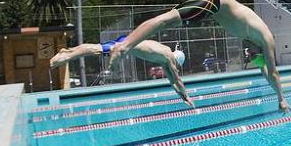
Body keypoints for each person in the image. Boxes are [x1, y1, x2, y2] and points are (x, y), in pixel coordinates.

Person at [108, 0, 291, 112]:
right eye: (253, 55)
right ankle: (123, 46)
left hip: (212, 3)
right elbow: (272, 71)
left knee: (168, 22)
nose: (248, 54)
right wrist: (281, 98)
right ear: (262, 50)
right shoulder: (266, 38)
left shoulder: (254, 38)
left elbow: (264, 69)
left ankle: (125, 45)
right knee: (167, 20)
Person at [52, 37, 194, 107]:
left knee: (98, 49)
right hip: (125, 44)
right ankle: (67, 53)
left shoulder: (165, 58)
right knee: (96, 49)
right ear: (176, 61)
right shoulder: (168, 57)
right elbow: (177, 79)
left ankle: (68, 53)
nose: (175, 67)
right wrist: (187, 96)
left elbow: (172, 81)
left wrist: (181, 95)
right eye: (176, 65)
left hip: (127, 42)